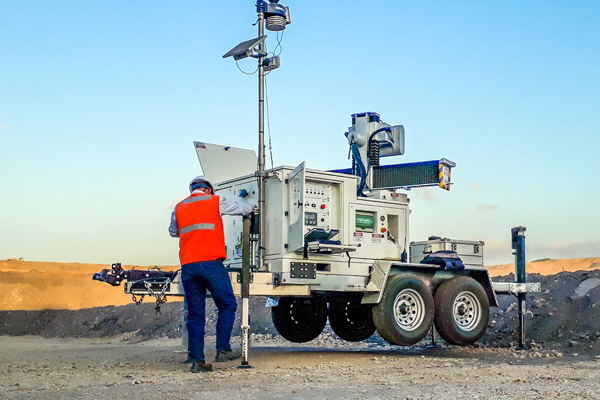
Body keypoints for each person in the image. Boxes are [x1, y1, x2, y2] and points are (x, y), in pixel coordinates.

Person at [169, 175, 254, 373]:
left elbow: (174, 232)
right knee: (227, 304)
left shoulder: (179, 207)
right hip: (210, 263)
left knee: (195, 314)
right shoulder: (216, 201)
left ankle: (197, 360)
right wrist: (252, 203)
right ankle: (222, 349)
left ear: (192, 189)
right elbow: (244, 208)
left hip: (189, 266)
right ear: (208, 190)